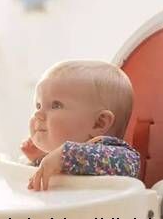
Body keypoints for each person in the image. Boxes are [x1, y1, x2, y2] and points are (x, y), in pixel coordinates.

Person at [20, 60, 140, 191]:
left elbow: (129, 165)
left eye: (56, 105)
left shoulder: (117, 156)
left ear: (99, 123)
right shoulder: (66, 161)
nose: (38, 114)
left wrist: (65, 155)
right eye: (38, 105)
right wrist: (37, 160)